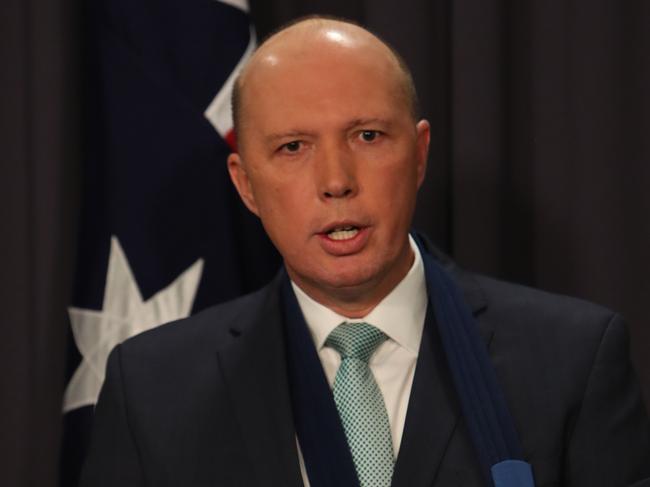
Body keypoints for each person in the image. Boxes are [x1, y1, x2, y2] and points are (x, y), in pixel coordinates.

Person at [80, 17, 650, 487]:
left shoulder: (575, 361)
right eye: (293, 147)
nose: (336, 181)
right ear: (246, 184)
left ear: (420, 154)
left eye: (368, 136)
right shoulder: (153, 391)